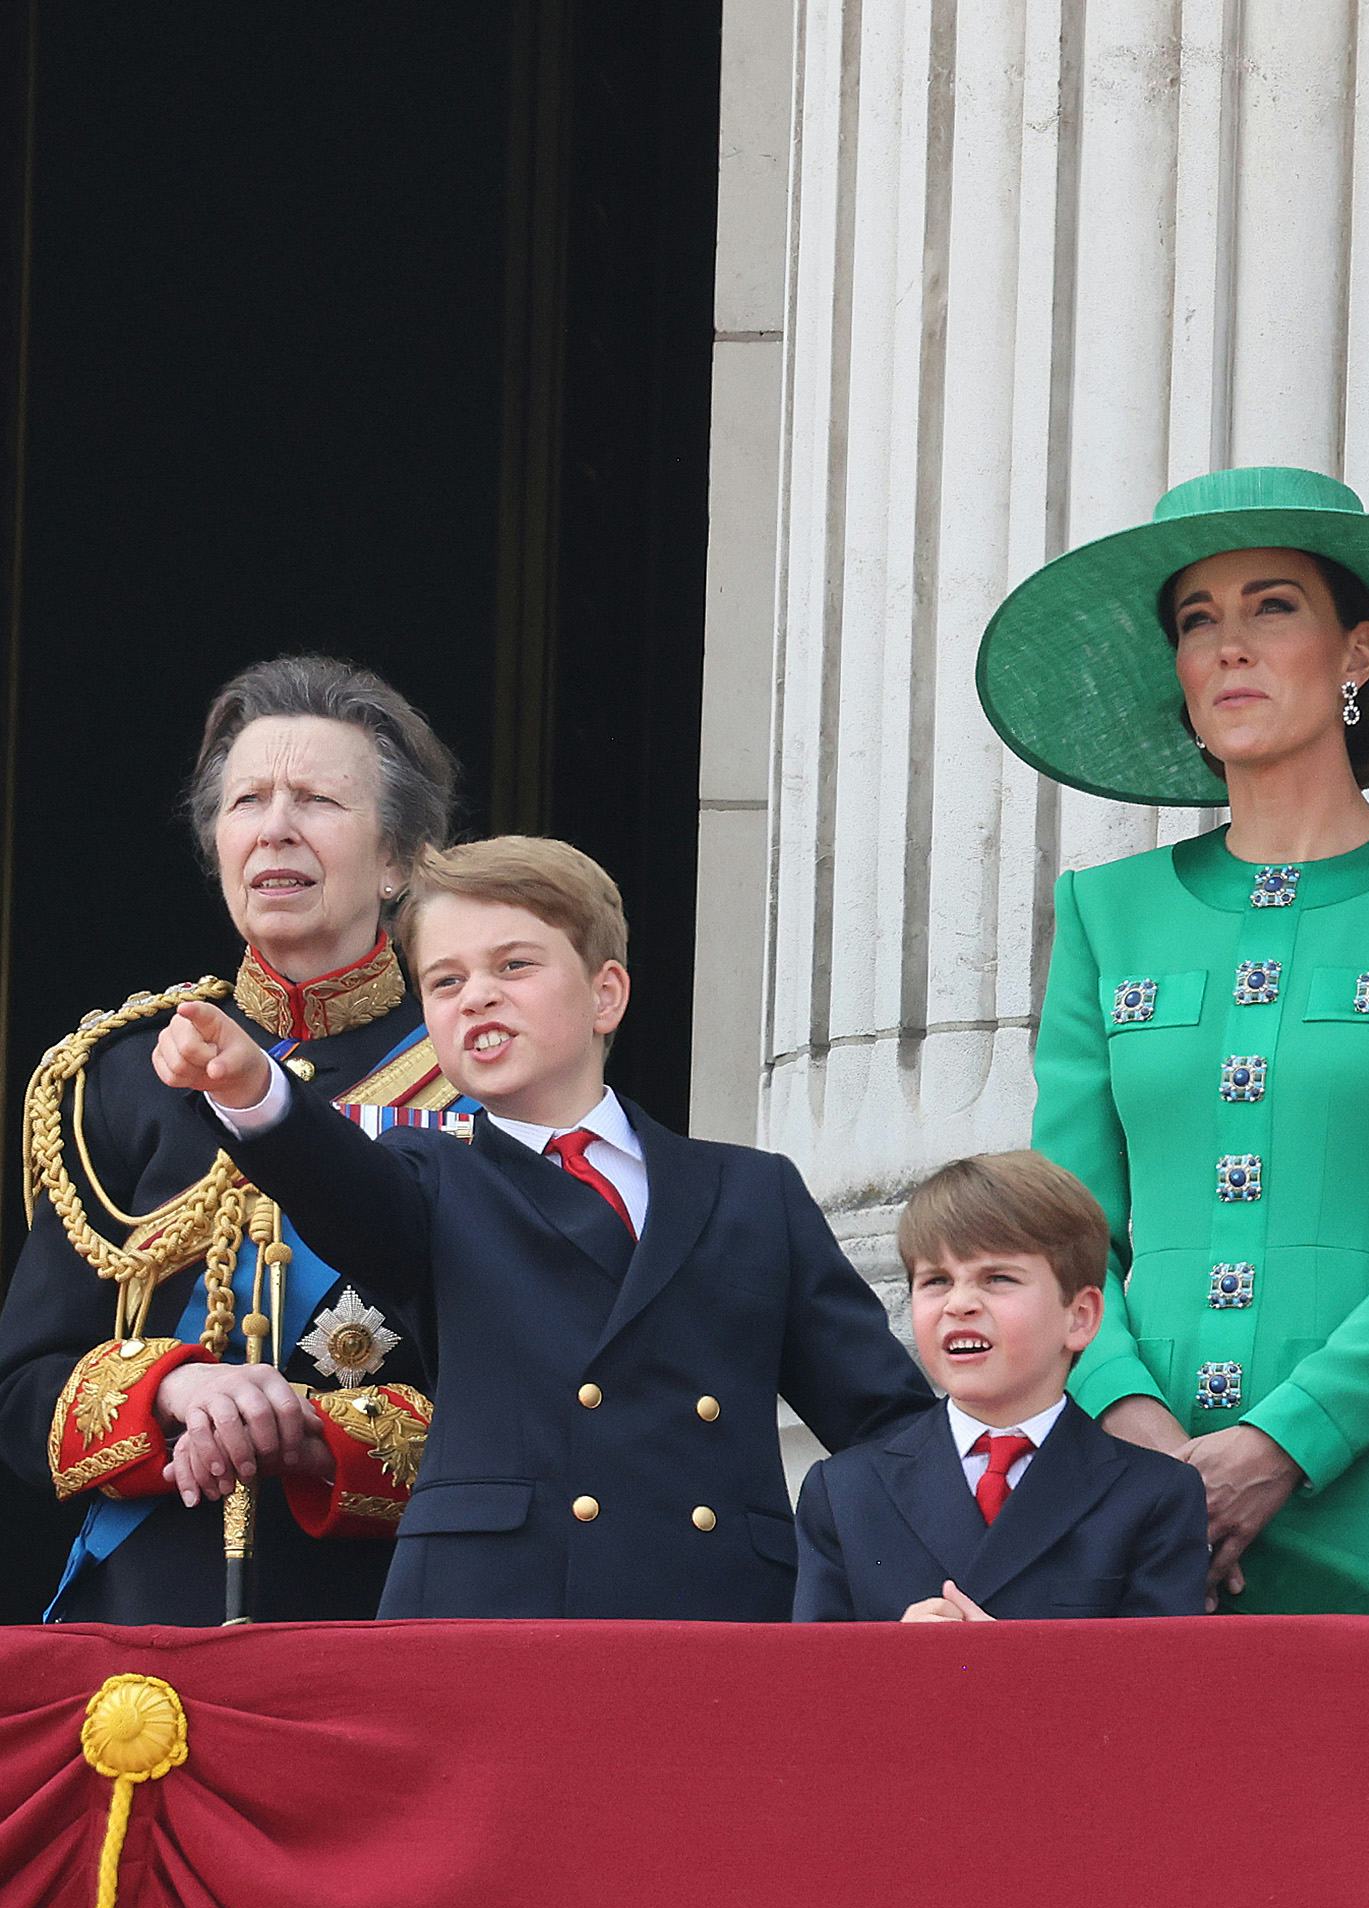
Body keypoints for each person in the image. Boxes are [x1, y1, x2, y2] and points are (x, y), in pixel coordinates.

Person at [981, 467, 1369, 1613]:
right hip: (1124, 1484)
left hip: (1363, 1489)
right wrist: (1136, 1428)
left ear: (1357, 652)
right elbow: (1065, 1231)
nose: (1231, 646)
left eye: (1273, 606)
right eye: (1198, 621)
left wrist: (1285, 1440)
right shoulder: (1106, 911)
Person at [153, 836, 933, 1619]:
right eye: (446, 980)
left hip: (718, 1610)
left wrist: (912, 1595)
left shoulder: (754, 1193)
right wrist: (255, 1090)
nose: (476, 997)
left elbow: (883, 1426)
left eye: (514, 965)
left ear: (605, 995)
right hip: (489, 1614)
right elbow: (340, 1184)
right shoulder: (428, 1176)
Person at [0, 656, 467, 1624]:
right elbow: (22, 1392)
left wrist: (315, 1436)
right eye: (247, 801)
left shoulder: (479, 1074)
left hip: (385, 1619)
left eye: (318, 801)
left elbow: (536, 1410)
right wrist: (173, 1390)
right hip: (146, 1621)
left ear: (399, 861)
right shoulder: (120, 1076)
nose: (275, 828)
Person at [796, 1151, 1215, 1622]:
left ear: (1080, 1317)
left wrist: (1004, 1659)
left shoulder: (1154, 1494)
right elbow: (811, 1665)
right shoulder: (846, 1491)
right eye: (936, 1280)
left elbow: (1159, 1667)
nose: (959, 1303)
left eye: (997, 1278)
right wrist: (892, 1655)